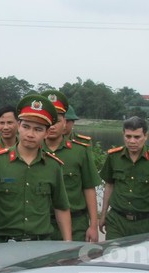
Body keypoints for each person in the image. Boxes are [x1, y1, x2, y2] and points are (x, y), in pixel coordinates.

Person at [0, 95, 72, 243]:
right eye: (26, 127)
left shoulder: (53, 166)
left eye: (38, 129)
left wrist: (68, 243)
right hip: (2, 244)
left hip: (40, 244)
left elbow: (61, 207)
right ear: (18, 125)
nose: (30, 134)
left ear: (46, 133)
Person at [41, 90, 101, 242]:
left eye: (57, 120)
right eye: (48, 121)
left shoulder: (79, 151)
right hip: (41, 224)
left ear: (65, 123)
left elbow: (89, 188)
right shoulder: (31, 151)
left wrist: (93, 226)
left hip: (76, 224)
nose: (52, 126)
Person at [99, 116, 149, 240]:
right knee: (112, 256)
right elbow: (109, 185)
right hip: (117, 220)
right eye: (128, 136)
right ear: (123, 135)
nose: (132, 141)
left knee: (140, 258)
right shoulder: (113, 157)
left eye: (137, 137)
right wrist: (103, 214)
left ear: (146, 136)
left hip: (144, 223)